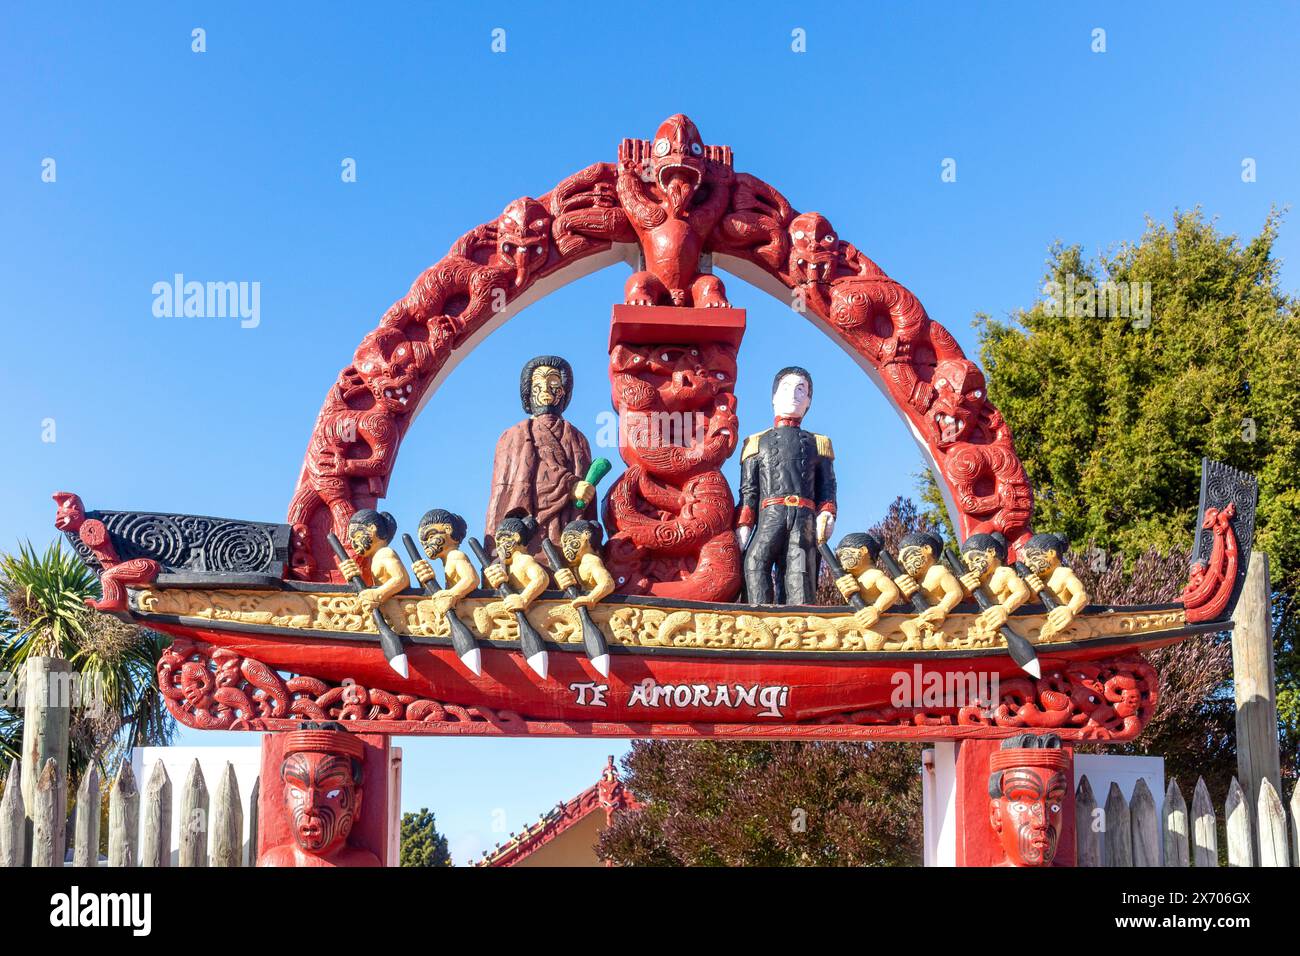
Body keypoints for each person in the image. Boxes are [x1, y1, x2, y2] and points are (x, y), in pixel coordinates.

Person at [736, 367, 837, 604]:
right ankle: (759, 615)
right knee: (755, 561)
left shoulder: (818, 443)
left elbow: (827, 485)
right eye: (786, 388)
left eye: (801, 390)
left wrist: (827, 512)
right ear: (774, 397)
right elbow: (749, 490)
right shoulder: (756, 442)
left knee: (799, 567)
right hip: (771, 515)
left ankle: (800, 622)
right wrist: (744, 523)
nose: (794, 395)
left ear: (809, 401)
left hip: (803, 521)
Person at [485, 355, 596, 559]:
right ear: (527, 392)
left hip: (566, 530)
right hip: (527, 532)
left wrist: (586, 491)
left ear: (563, 391)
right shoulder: (514, 435)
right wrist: (569, 485)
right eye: (538, 384)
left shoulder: (577, 437)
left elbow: (586, 491)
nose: (546, 388)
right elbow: (505, 489)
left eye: (553, 382)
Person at [893, 530, 966, 649]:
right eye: (903, 563)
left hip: (946, 620)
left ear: (927, 549)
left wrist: (943, 608)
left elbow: (955, 592)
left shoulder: (938, 571)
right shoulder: (917, 580)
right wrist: (904, 592)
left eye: (909, 557)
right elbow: (912, 603)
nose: (907, 565)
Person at [338, 509, 409, 614]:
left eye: (357, 536)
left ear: (372, 528)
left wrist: (378, 594)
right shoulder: (376, 558)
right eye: (351, 540)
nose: (354, 544)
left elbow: (401, 578)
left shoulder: (385, 553)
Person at [1020, 532, 1089, 639]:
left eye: (1033, 558)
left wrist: (1070, 610)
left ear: (1051, 553)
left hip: (1067, 628)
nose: (1028, 564)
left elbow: (1081, 595)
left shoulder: (1063, 573)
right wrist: (1032, 595)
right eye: (1026, 561)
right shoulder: (1038, 579)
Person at [410, 508, 477, 612]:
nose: (426, 545)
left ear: (448, 529)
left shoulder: (456, 556)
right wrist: (426, 579)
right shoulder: (447, 562)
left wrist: (452, 594)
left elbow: (471, 579)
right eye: (423, 543)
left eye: (430, 536)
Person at [832, 532, 901, 633]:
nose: (842, 561)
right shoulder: (852, 578)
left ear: (863, 550)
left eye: (845, 555)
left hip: (879, 622)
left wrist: (876, 609)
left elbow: (892, 592)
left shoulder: (874, 575)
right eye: (840, 558)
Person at [483, 515, 549, 613]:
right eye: (497, 545)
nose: (499, 548)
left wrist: (524, 598)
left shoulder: (524, 559)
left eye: (502, 541)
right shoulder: (507, 567)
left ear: (516, 537)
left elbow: (541, 578)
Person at [554, 519, 616, 609]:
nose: (566, 548)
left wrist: (591, 598)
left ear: (586, 535)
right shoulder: (578, 566)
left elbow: (607, 583)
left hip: (598, 606)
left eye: (569, 541)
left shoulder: (591, 560)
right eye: (564, 545)